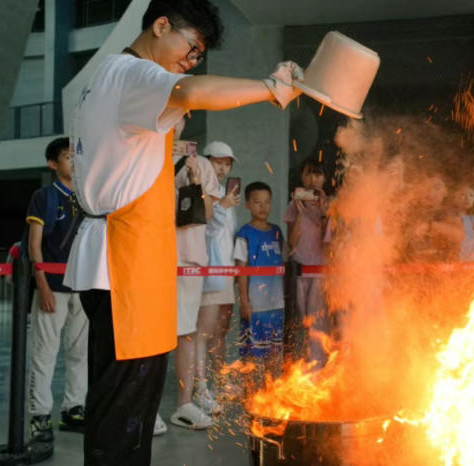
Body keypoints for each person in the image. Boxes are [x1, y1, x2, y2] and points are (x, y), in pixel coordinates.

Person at [62, 1, 302, 463]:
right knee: (123, 415)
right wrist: (270, 89)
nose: (189, 62)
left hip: (128, 262)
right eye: (190, 48)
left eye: (197, 55)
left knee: (129, 408)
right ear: (160, 25)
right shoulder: (133, 74)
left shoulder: (115, 76)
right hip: (122, 264)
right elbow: (193, 91)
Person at [25, 137, 87, 443]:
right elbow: (35, 245)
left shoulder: (90, 197)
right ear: (53, 164)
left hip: (83, 288)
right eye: (67, 156)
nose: (74, 161)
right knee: (44, 354)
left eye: (76, 155)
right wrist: (43, 287)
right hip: (53, 287)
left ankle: (74, 409)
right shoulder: (44, 196)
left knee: (79, 354)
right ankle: (39, 416)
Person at [170, 119, 223, 430]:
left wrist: (192, 178)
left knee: (186, 331)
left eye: (179, 114)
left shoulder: (200, 162)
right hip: (148, 257)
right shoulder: (143, 155)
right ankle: (141, 408)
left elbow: (208, 213)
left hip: (188, 257)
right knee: (148, 334)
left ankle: (184, 403)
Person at [195, 140, 240, 417]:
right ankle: (200, 388)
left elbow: (227, 234)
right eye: (218, 162)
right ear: (206, 161)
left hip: (227, 271)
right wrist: (221, 205)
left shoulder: (226, 193)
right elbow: (207, 229)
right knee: (203, 331)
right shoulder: (203, 190)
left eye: (227, 164)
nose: (222, 168)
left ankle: (219, 381)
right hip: (208, 271)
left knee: (220, 332)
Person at [234, 182, 285, 387]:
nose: (262, 207)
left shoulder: (277, 232)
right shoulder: (245, 234)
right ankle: (249, 390)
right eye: (257, 202)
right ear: (247, 204)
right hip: (255, 305)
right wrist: (244, 301)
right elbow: (241, 269)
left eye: (266, 202)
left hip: (277, 304)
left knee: (274, 350)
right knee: (251, 351)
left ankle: (270, 390)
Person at [283, 157, 330, 364]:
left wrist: (323, 211)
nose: (313, 179)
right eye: (308, 174)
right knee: (299, 321)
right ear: (301, 176)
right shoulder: (293, 205)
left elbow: (330, 242)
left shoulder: (330, 205)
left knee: (318, 321)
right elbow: (291, 243)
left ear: (325, 178)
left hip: (321, 270)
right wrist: (301, 213)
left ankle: (319, 367)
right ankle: (300, 367)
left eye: (318, 174)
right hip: (299, 270)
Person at [453, 183, 474, 262]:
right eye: (462, 195)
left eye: (471, 195)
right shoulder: (451, 218)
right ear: (454, 197)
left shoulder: (472, 219)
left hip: (472, 261)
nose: (467, 199)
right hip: (458, 261)